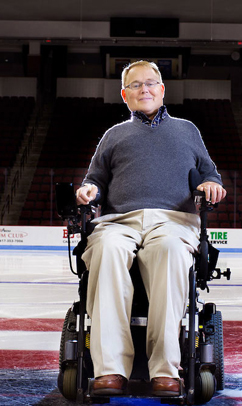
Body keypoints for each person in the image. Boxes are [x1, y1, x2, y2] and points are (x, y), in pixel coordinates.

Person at [76, 60, 226, 397]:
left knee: (171, 251)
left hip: (173, 221)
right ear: (124, 95)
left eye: (150, 83)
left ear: (162, 89)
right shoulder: (114, 135)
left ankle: (165, 371)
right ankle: (111, 370)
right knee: (106, 249)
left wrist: (211, 184)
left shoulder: (187, 130)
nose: (144, 89)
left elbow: (209, 173)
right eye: (135, 85)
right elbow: (95, 180)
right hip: (120, 221)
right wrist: (89, 191)